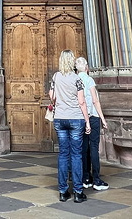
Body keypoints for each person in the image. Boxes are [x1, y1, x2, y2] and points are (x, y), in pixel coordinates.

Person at [49, 49, 91, 203]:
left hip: (60, 118)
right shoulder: (77, 78)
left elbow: (51, 96)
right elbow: (82, 102)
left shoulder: (56, 76)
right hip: (75, 119)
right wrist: (87, 121)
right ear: (72, 61)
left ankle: (63, 191)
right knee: (76, 155)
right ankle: (78, 192)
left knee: (63, 154)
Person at [75, 57, 109, 192]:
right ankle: (96, 179)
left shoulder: (75, 80)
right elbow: (95, 101)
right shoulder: (89, 80)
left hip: (81, 118)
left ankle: (85, 178)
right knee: (94, 147)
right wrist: (103, 119)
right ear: (87, 67)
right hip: (93, 117)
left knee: (84, 148)